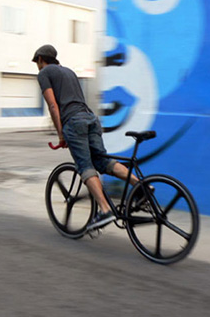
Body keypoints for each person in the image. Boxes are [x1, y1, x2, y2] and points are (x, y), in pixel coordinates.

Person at [32, 44, 138, 230]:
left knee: (85, 166)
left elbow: (53, 105)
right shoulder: (69, 72)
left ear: (41, 59)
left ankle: (105, 210)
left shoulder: (44, 74)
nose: (37, 66)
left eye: (37, 62)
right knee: (102, 162)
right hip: (91, 119)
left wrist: (60, 134)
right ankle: (140, 187)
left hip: (73, 122)